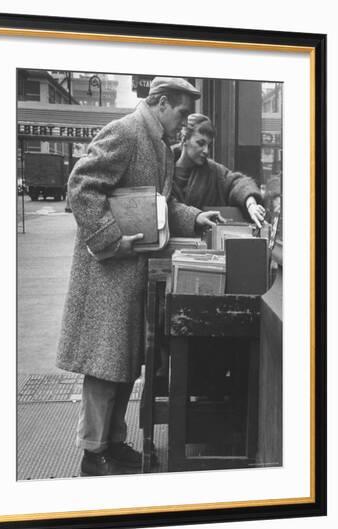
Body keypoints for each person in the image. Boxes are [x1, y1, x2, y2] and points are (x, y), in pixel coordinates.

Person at [55, 77, 223, 477]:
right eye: (181, 113)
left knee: (123, 363)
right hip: (107, 273)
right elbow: (80, 187)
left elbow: (166, 204)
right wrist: (113, 239)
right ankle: (92, 452)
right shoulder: (127, 131)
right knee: (104, 364)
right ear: (161, 104)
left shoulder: (159, 146)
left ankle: (111, 443)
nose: (184, 123)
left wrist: (195, 216)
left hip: (128, 272)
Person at [172, 114, 265, 229]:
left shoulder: (213, 171)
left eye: (209, 145)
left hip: (205, 242)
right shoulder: (162, 168)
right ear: (184, 139)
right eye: (200, 143)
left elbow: (238, 183)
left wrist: (251, 205)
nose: (206, 151)